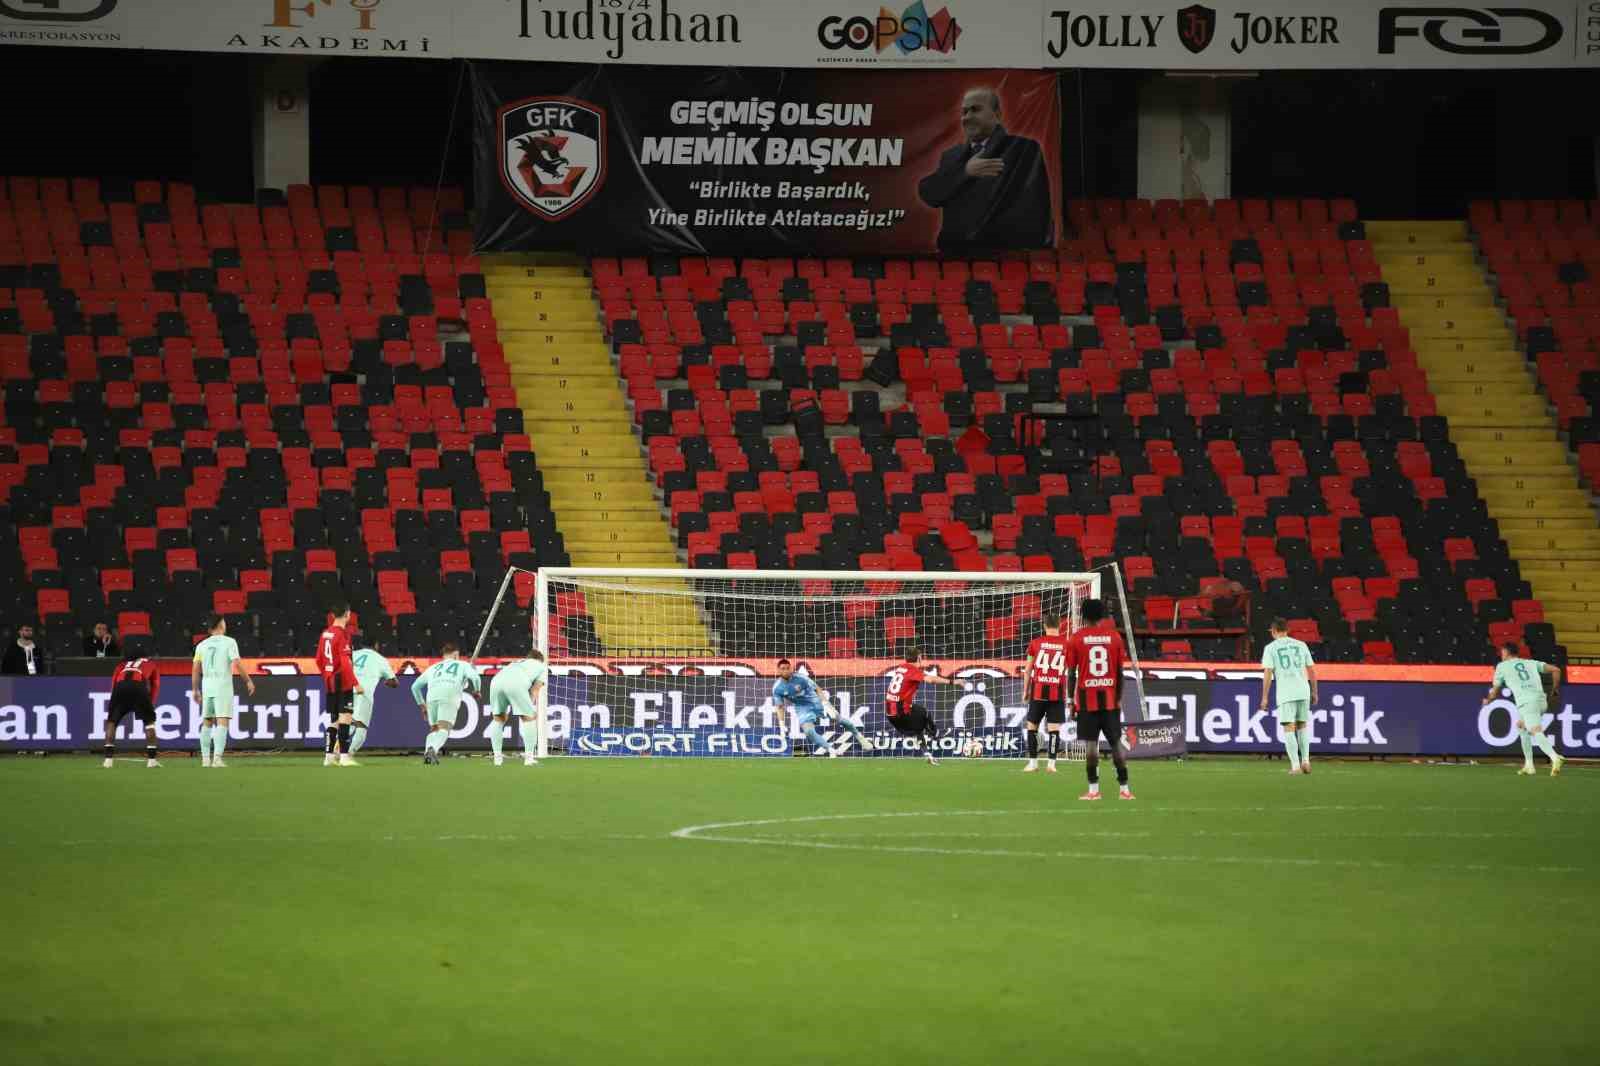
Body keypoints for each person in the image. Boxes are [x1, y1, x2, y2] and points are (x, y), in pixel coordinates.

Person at [916, 87, 1053, 254]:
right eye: (964, 112)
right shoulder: (951, 155)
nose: (967, 117)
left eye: (975, 109)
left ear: (997, 115)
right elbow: (930, 194)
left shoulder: (1023, 149)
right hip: (955, 255)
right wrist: (965, 172)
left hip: (1004, 256)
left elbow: (1036, 207)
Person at [1066, 599, 1133, 800]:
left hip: (1087, 700)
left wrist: (1070, 700)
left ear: (1083, 616)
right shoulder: (1114, 637)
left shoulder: (1076, 639)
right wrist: (1119, 698)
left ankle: (1094, 790)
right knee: (1116, 744)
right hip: (1110, 699)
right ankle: (1125, 790)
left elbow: (1071, 673)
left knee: (1091, 746)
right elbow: (1120, 672)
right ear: (1102, 616)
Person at [1484, 643, 1565, 777]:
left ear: (1506, 653)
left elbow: (1495, 690)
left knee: (1535, 730)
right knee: (1521, 726)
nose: (1501, 655)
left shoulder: (1501, 666)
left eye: (1502, 653)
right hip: (1541, 700)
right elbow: (1556, 670)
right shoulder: (1530, 663)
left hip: (1527, 702)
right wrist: (1555, 689)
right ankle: (1529, 765)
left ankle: (1555, 757)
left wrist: (1488, 700)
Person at [772, 656, 869, 757]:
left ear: (791, 668)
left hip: (815, 701)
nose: (786, 671)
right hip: (802, 708)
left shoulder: (801, 678)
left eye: (788, 668)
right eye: (783, 669)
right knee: (808, 731)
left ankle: (860, 737)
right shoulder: (777, 688)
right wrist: (781, 723)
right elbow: (779, 706)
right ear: (778, 670)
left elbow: (817, 689)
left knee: (838, 718)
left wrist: (826, 705)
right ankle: (831, 750)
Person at [192, 616, 254, 769]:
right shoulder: (229, 642)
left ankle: (205, 759)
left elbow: (195, 669)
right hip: (222, 685)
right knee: (222, 720)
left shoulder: (201, 645)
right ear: (221, 624)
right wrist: (247, 680)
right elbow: (237, 663)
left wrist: (195, 689)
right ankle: (217, 759)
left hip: (207, 685)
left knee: (207, 721)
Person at [1259, 618, 1318, 776]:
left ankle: (1295, 766)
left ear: (1273, 631)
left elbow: (1268, 673)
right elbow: (1311, 670)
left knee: (1289, 728)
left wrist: (1264, 697)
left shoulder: (1270, 648)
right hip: (1303, 690)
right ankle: (1306, 760)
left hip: (1286, 693)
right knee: (1302, 726)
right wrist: (1314, 691)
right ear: (1287, 630)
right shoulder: (1301, 645)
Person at [412, 642, 482, 766]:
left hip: (432, 696)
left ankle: (427, 754)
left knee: (434, 729)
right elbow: (476, 678)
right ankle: (432, 749)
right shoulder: (463, 665)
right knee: (444, 728)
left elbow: (415, 687)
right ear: (455, 655)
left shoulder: (433, 667)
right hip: (449, 695)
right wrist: (477, 690)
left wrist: (422, 706)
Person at [884, 647, 956, 766]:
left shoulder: (901, 668)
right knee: (924, 713)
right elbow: (930, 680)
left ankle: (927, 754)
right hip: (900, 712)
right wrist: (952, 682)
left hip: (890, 714)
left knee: (918, 727)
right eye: (921, 657)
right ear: (918, 658)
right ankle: (936, 734)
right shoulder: (913, 669)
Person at [316, 604, 362, 767]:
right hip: (342, 680)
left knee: (334, 719)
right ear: (347, 614)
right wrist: (355, 683)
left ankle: (329, 756)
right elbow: (345, 661)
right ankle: (344, 756)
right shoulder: (343, 634)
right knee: (345, 717)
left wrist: (327, 675)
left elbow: (319, 660)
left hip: (330, 681)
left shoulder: (325, 633)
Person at [487, 650, 548, 767]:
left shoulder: (516, 662)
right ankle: (529, 759)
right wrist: (529, 711)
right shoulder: (541, 666)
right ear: (540, 660)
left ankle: (497, 759)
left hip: (496, 681)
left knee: (498, 718)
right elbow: (535, 690)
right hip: (516, 682)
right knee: (530, 717)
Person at [103, 656, 162, 769]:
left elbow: (114, 682)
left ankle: (108, 761)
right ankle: (151, 761)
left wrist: (114, 701)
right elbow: (155, 684)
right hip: (138, 686)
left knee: (112, 722)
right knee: (149, 723)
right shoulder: (151, 664)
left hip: (119, 687)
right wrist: (150, 704)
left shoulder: (122, 664)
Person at [347, 640, 398, 758]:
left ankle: (335, 750)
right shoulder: (380, 659)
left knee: (348, 723)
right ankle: (348, 755)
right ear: (376, 645)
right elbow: (394, 682)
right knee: (361, 726)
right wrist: (387, 681)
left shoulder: (353, 654)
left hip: (348, 691)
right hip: (364, 693)